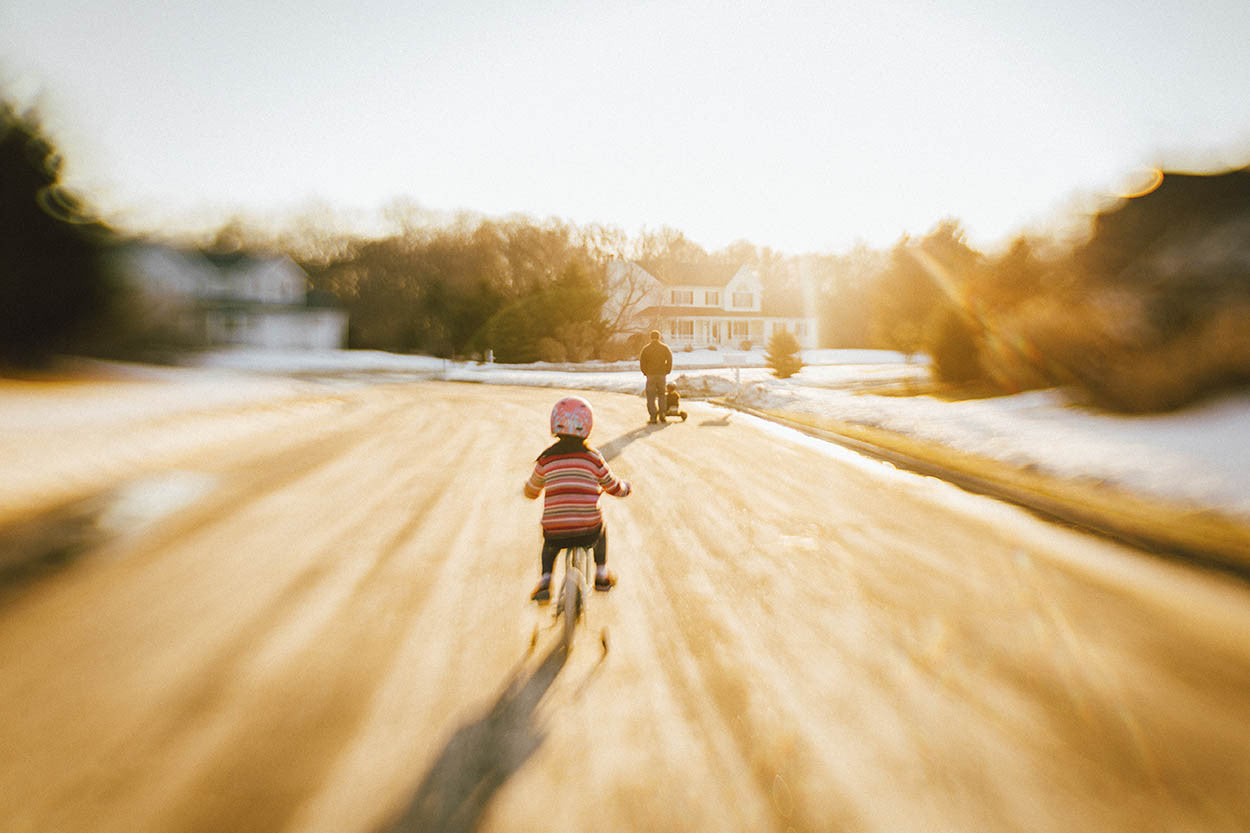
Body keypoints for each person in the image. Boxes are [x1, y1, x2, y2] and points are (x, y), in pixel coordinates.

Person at [524, 396, 631, 602]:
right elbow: (612, 485)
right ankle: (601, 574)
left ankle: (546, 580)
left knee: (549, 541)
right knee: (600, 528)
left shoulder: (545, 459)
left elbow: (533, 489)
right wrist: (625, 488)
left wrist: (529, 491)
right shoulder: (592, 458)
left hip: (556, 530)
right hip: (588, 528)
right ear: (588, 425)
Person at [639, 329, 673, 424]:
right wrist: (667, 370)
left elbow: (642, 362)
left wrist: (645, 372)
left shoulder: (646, 349)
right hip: (662, 374)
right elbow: (669, 360)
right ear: (659, 337)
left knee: (651, 396)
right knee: (662, 394)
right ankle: (662, 414)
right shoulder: (665, 348)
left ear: (650, 337)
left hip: (650, 375)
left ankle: (653, 416)